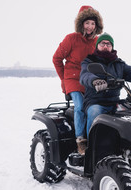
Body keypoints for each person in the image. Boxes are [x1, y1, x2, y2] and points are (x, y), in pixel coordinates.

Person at [53, 6, 103, 155]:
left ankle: (96, 138)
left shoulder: (97, 42)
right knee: (80, 106)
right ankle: (81, 140)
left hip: (89, 80)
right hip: (72, 79)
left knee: (97, 107)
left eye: (93, 24)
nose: (90, 27)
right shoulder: (71, 39)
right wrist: (63, 80)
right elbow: (56, 58)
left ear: (97, 25)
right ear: (81, 23)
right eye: (87, 23)